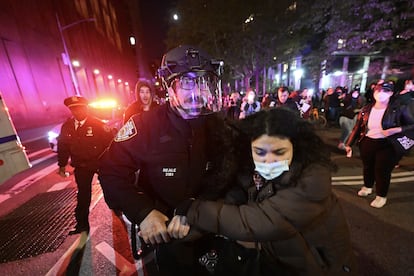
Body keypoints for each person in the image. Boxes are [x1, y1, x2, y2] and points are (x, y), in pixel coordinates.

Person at [168, 107, 357, 275]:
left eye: (279, 152)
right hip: (279, 259)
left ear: (296, 146)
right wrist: (187, 227)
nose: (268, 160)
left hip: (316, 267)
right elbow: (235, 197)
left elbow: (264, 221)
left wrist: (196, 210)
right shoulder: (251, 169)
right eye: (260, 152)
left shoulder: (313, 177)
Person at [98, 45, 234, 276]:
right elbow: (110, 171)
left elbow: (226, 172)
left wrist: (197, 206)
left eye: (204, 83)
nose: (198, 92)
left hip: (207, 225)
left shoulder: (217, 125)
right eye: (189, 82)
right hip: (165, 234)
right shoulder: (145, 126)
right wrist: (143, 212)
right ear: (169, 87)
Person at [345, 82, 414, 208]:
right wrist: (349, 143)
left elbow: (411, 125)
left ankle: (381, 195)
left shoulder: (398, 108)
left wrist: (396, 129)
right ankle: (367, 186)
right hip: (368, 141)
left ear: (391, 93)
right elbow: (358, 127)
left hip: (388, 143)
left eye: (386, 91)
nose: (381, 93)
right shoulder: (366, 109)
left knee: (382, 170)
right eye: (378, 90)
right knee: (368, 167)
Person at [57, 96, 114, 235]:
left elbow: (111, 144)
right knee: (83, 196)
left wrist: (112, 163)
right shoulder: (67, 126)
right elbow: (63, 146)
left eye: (80, 108)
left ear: (86, 108)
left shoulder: (98, 125)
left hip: (100, 164)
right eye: (74, 109)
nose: (77, 112)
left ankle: (118, 211)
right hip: (81, 166)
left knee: (111, 191)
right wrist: (62, 165)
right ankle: (82, 225)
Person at [337, 86, 363, 150]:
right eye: (354, 92)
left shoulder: (359, 102)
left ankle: (343, 144)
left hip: (352, 117)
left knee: (349, 131)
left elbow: (359, 108)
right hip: (345, 117)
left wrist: (358, 110)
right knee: (348, 131)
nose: (355, 94)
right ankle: (342, 143)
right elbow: (343, 105)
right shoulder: (347, 99)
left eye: (357, 93)